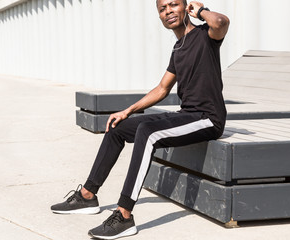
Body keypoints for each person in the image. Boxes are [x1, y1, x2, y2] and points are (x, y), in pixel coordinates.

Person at [51, 0, 230, 239]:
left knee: (147, 131)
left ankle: (124, 215)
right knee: (117, 127)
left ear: (185, 7)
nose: (168, 11)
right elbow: (162, 88)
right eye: (162, 9)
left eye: (173, 5)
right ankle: (87, 195)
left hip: (208, 118)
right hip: (187, 115)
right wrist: (127, 111)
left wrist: (202, 12)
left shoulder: (205, 35)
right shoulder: (178, 49)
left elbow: (221, 22)